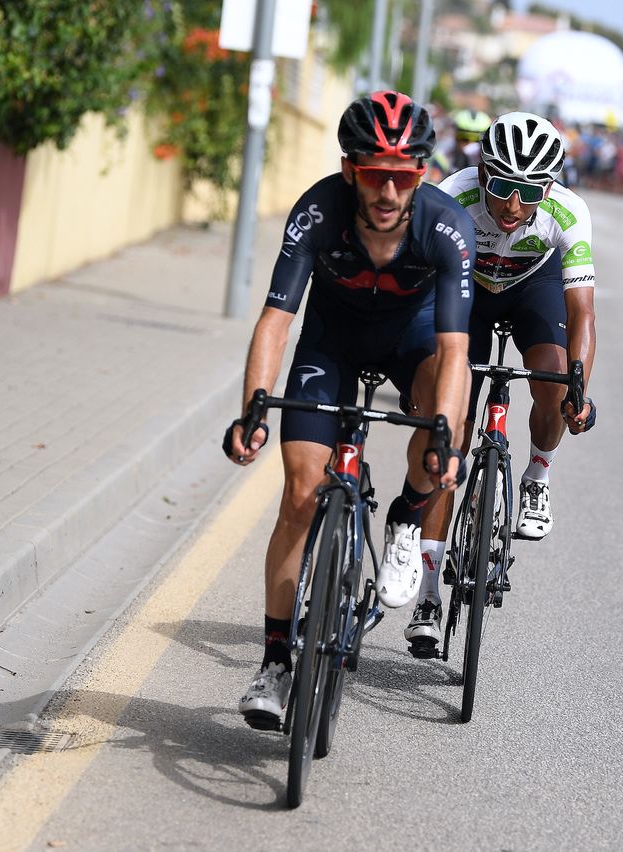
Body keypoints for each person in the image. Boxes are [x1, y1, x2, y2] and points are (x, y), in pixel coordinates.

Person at [225, 92, 476, 728]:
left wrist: (444, 439)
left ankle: (407, 515)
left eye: (404, 175)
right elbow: (276, 322)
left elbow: (453, 353)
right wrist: (253, 407)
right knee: (300, 494)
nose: (389, 191)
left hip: (412, 341)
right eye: (374, 174)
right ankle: (276, 661)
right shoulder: (316, 211)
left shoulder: (446, 227)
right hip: (330, 342)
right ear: (349, 170)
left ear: (422, 174)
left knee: (445, 423)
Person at [404, 112, 599, 657]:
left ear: (550, 186)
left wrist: (578, 388)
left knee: (554, 382)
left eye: (529, 191)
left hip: (532, 286)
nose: (513, 205)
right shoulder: (452, 195)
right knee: (452, 433)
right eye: (502, 186)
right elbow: (421, 292)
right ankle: (426, 594)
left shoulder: (568, 212)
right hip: (469, 290)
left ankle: (537, 476)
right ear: (482, 171)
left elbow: (582, 311)